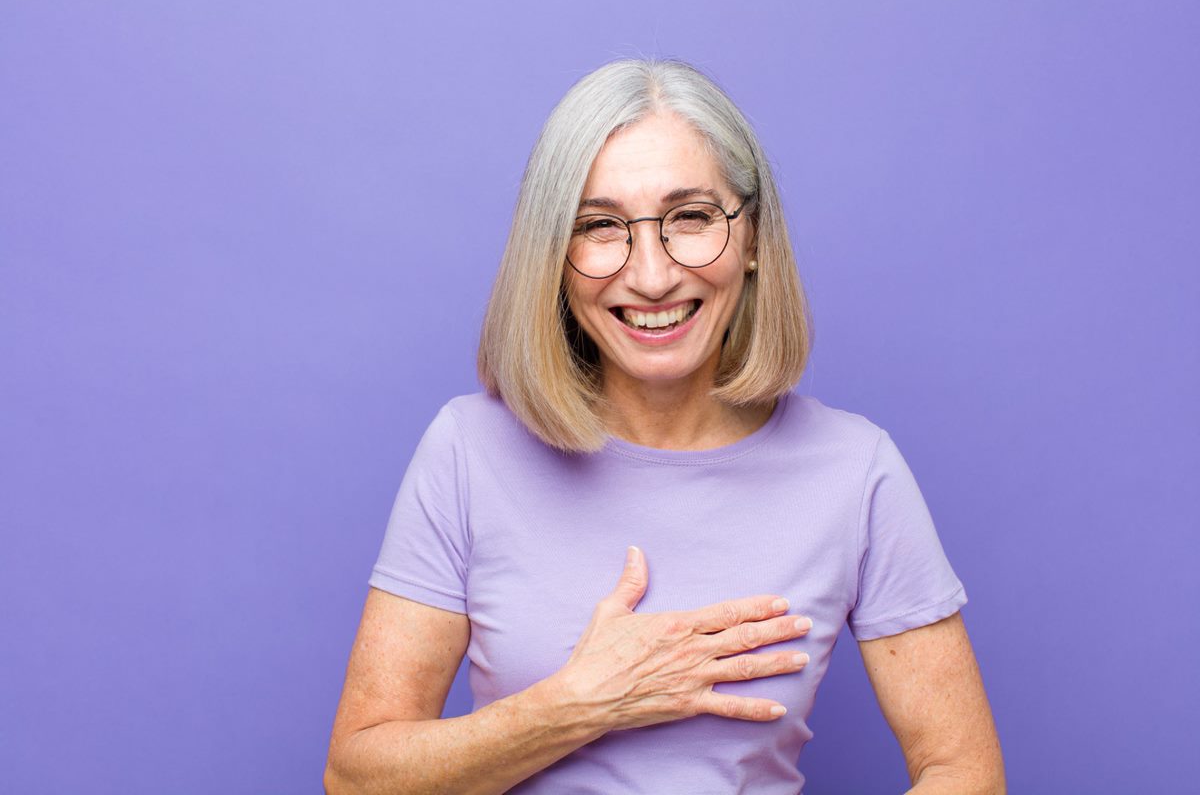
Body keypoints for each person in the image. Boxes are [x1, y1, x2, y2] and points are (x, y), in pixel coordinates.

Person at [324, 58, 1005, 794]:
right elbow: (357, 780)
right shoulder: (467, 451)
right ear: (554, 257)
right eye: (600, 226)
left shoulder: (855, 470)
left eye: (691, 218)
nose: (651, 276)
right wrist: (578, 705)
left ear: (751, 242)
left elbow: (964, 772)